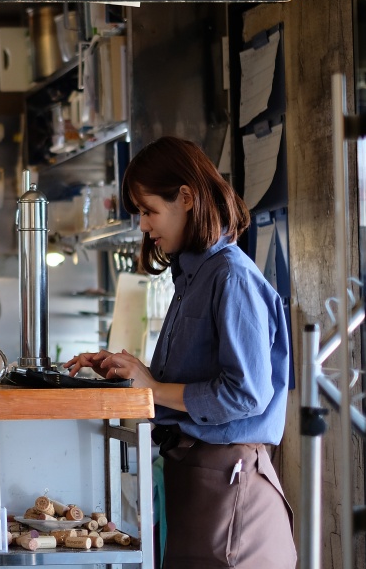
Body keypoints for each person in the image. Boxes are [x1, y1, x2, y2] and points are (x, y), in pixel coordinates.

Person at [64, 136, 294, 569]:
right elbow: (186, 384)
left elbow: (245, 394)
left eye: (149, 211)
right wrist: (132, 373)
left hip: (229, 487)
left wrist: (151, 387)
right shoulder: (193, 276)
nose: (145, 226)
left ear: (186, 198)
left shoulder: (231, 277)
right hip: (195, 479)